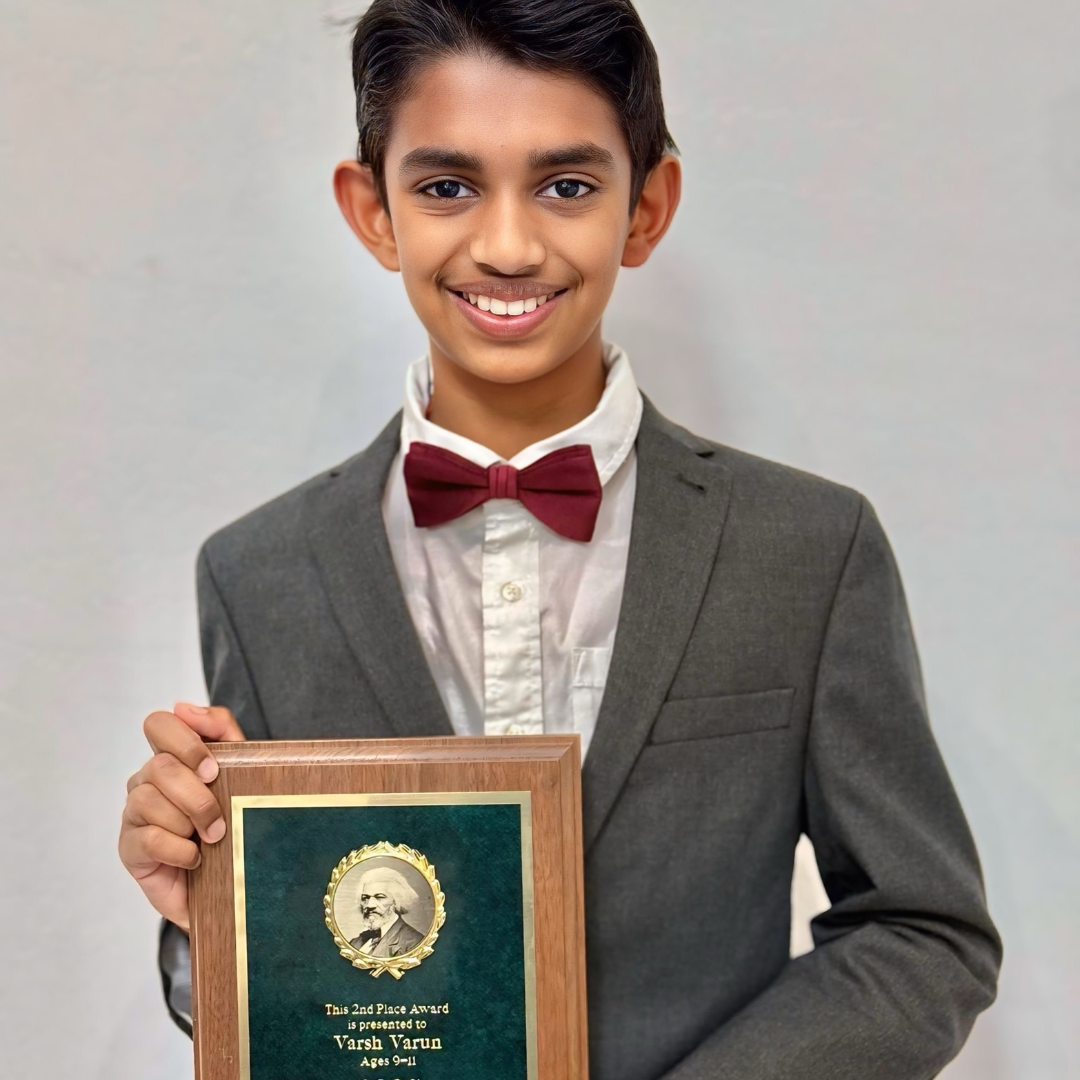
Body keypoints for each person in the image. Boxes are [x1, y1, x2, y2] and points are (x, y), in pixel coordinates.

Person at [118, 1, 1002, 1076]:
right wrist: (200, 910)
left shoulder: (807, 549)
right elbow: (300, 982)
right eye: (447, 186)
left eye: (566, 186)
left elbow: (923, 929)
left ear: (647, 207)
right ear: (373, 211)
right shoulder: (258, 576)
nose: (505, 244)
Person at [347, 868, 426, 955]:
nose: (369, 905)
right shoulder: (354, 943)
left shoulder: (415, 943)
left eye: (379, 897)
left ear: (396, 901)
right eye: (365, 898)